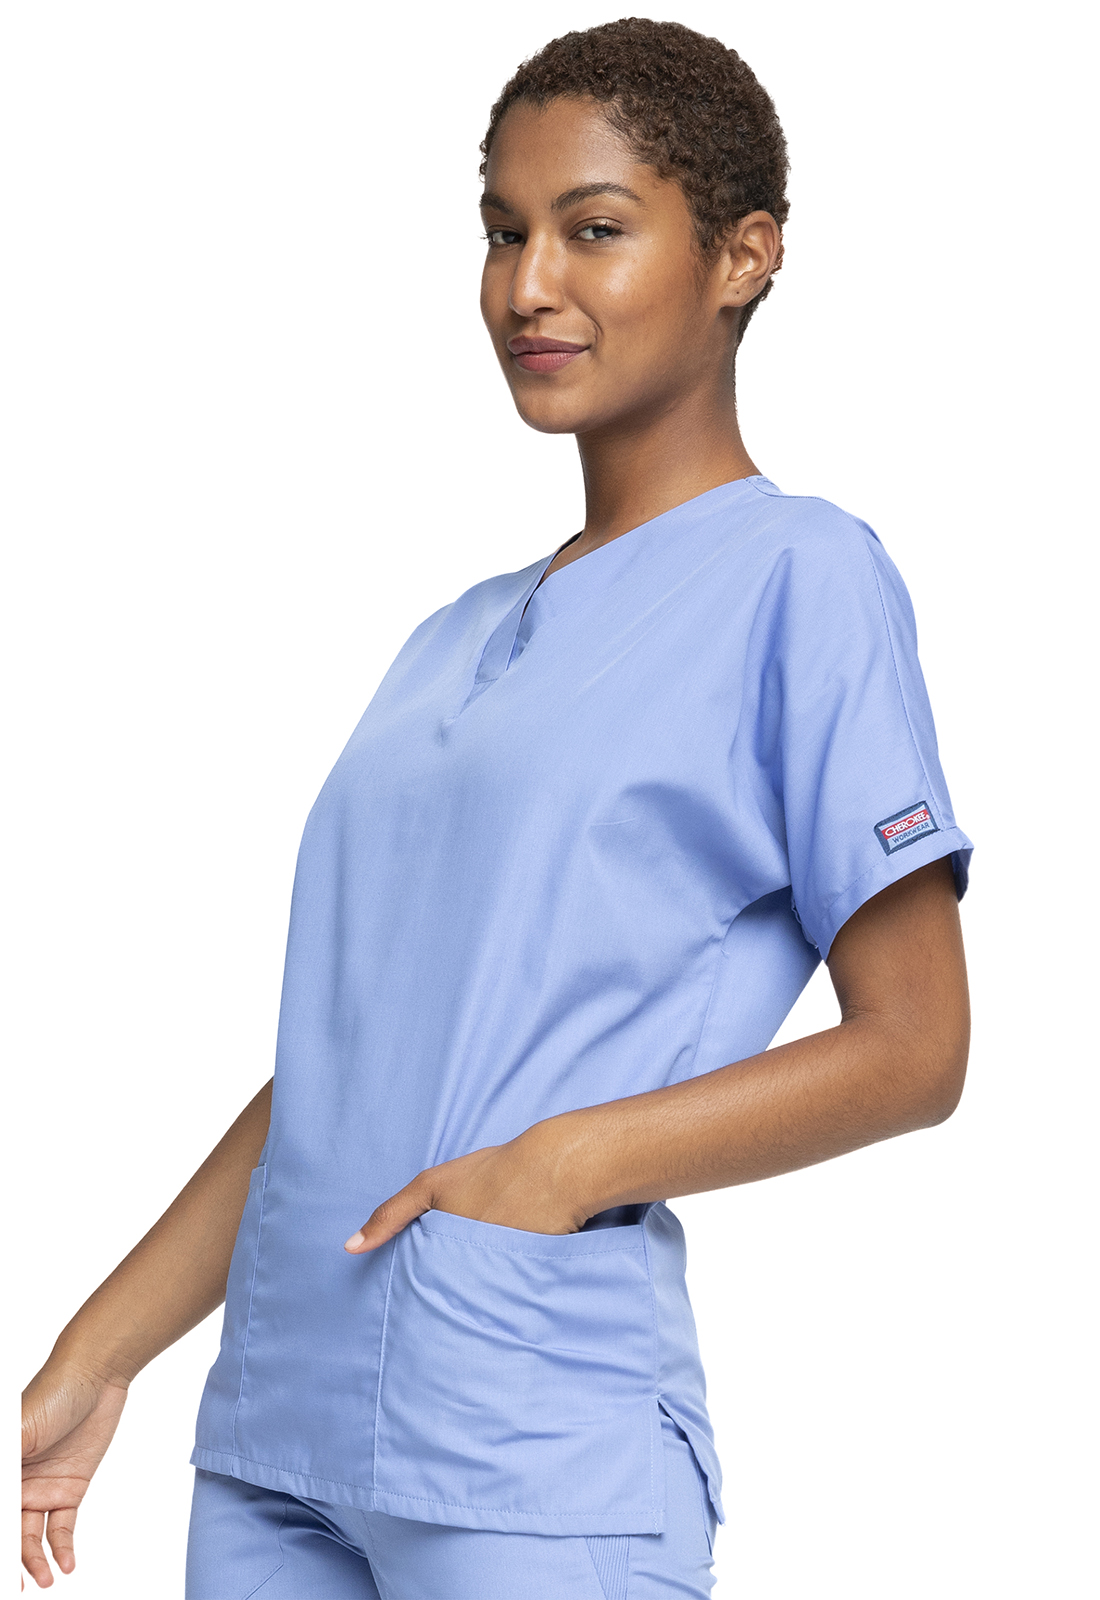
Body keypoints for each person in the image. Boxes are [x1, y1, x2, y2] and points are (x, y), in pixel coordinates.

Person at [21, 18, 972, 1598]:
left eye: (593, 230)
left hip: (526, 1439)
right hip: (271, 1445)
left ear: (743, 255)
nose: (529, 285)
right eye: (502, 231)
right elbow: (345, 1067)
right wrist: (99, 1349)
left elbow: (917, 1047)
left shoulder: (801, 578)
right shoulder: (448, 638)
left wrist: (557, 1165)